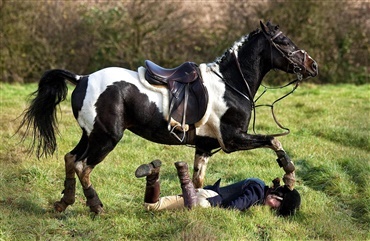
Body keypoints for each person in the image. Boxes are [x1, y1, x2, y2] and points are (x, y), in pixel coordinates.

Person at [135, 159, 301, 216]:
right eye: (276, 208)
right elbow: (234, 206)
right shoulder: (257, 190)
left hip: (202, 193)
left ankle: (153, 174)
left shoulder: (258, 185)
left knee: (152, 206)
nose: (272, 210)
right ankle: (184, 175)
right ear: (277, 197)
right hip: (207, 201)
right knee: (196, 207)